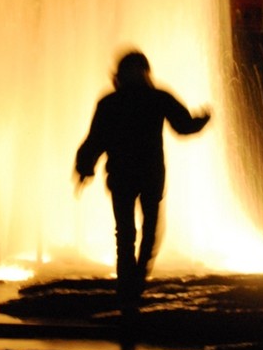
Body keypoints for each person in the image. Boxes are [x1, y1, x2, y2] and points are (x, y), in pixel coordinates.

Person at [75, 51, 211, 308]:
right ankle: (135, 281)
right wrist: (201, 121)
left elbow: (95, 141)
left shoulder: (111, 102)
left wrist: (85, 167)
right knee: (147, 231)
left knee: (125, 234)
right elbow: (183, 126)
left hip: (123, 176)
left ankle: (128, 285)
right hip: (149, 175)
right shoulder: (157, 97)